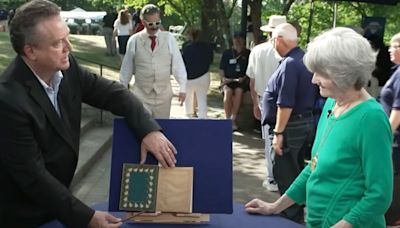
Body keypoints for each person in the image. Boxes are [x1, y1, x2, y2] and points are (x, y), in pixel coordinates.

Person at [0, 1, 178, 227]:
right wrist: (87, 217)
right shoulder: (8, 100)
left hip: (58, 206)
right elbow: (34, 177)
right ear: (30, 51)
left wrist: (148, 129)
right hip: (23, 216)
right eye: (57, 43)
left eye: (67, 37)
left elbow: (114, 94)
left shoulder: (67, 66)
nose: (69, 47)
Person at [246, 27, 393, 227]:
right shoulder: (332, 104)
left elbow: (379, 196)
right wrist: (275, 207)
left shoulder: (371, 118)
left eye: (320, 73)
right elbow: (314, 167)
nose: (314, 80)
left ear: (344, 73)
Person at [260, 23, 319, 222]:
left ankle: (290, 218)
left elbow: (286, 103)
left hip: (291, 127)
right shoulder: (302, 59)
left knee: (286, 173)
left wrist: (278, 133)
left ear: (278, 40)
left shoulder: (290, 64)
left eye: (271, 39)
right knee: (295, 171)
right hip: (303, 123)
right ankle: (293, 214)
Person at [119, 4, 187, 118]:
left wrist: (183, 88)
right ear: (143, 22)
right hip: (141, 95)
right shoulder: (134, 41)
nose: (154, 27)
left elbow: (178, 65)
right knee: (142, 130)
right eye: (150, 24)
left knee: (161, 130)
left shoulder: (169, 38)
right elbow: (126, 68)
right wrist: (123, 90)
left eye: (157, 23)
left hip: (163, 95)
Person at [246, 15, 286, 192]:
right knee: (283, 139)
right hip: (286, 101)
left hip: (265, 100)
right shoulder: (288, 52)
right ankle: (281, 176)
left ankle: (272, 178)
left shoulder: (257, 51)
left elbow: (252, 81)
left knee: (269, 140)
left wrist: (255, 103)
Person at [379, 32, 400, 226]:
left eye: (393, 46)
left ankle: (392, 218)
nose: (389, 50)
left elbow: (398, 111)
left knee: (392, 178)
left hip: (394, 140)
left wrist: (384, 136)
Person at [219, 32, 251, 130]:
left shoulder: (248, 53)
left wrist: (244, 78)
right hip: (228, 81)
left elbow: (251, 70)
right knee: (228, 92)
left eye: (240, 38)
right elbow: (221, 69)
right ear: (232, 40)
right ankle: (227, 118)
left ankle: (233, 118)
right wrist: (223, 79)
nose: (237, 40)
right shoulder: (227, 53)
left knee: (239, 91)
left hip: (240, 81)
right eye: (235, 38)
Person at [182, 28, 214, 118]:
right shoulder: (208, 46)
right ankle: (203, 119)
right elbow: (210, 60)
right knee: (202, 99)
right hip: (203, 75)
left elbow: (183, 61)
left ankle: (189, 117)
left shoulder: (186, 47)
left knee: (188, 100)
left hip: (189, 77)